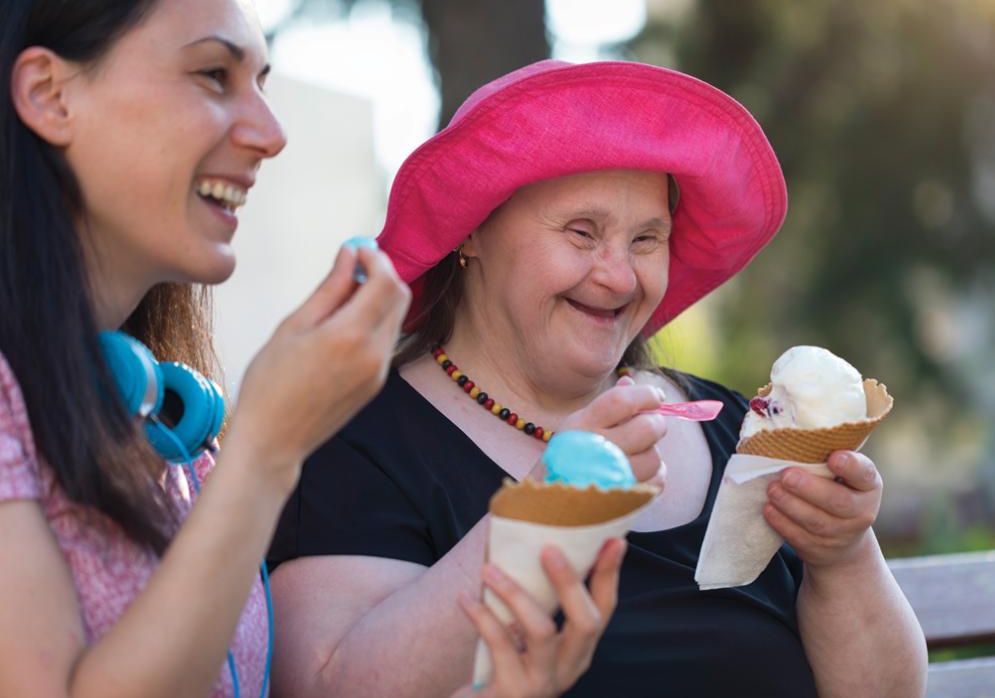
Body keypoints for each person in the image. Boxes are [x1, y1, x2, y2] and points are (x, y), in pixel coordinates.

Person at [0, 0, 618, 697]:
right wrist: (267, 449)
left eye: (260, 83)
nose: (269, 129)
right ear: (49, 93)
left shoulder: (172, 438)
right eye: (211, 76)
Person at [267, 60, 929, 697]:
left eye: (647, 240)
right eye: (582, 232)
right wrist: (544, 515)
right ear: (471, 231)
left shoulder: (742, 431)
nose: (619, 276)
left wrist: (842, 554)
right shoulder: (360, 443)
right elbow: (326, 686)